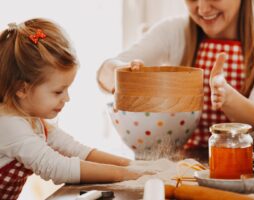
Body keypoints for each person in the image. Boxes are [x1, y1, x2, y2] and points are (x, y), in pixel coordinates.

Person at [97, 0, 254, 153]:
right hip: (185, 166)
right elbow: (105, 72)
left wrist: (227, 97)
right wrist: (122, 73)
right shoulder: (173, 31)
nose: (202, 9)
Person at [0, 18, 150, 199]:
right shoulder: (8, 125)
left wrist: (135, 167)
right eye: (58, 92)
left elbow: (76, 150)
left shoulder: (32, 119)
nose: (67, 98)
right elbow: (57, 167)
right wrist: (129, 176)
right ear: (22, 89)